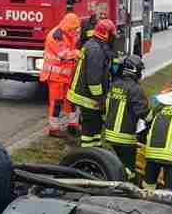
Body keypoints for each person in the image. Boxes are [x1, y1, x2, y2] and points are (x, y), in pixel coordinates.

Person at [67, 19, 117, 147]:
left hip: (87, 93)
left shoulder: (95, 45)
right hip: (87, 95)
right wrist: (100, 98)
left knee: (96, 123)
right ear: (105, 34)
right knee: (90, 124)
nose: (114, 37)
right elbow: (94, 79)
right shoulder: (95, 50)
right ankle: (88, 151)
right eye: (112, 34)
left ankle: (96, 148)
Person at [103, 55, 150, 182]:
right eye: (140, 70)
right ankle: (127, 186)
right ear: (134, 70)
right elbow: (143, 113)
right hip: (125, 138)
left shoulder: (114, 85)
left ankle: (114, 179)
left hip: (109, 134)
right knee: (129, 169)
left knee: (116, 164)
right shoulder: (135, 89)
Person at [41, 13, 81, 137]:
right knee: (56, 102)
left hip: (66, 76)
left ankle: (73, 125)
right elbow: (64, 54)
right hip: (55, 76)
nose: (76, 31)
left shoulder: (69, 34)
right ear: (68, 27)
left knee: (71, 100)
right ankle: (54, 129)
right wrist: (78, 53)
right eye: (74, 29)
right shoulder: (56, 36)